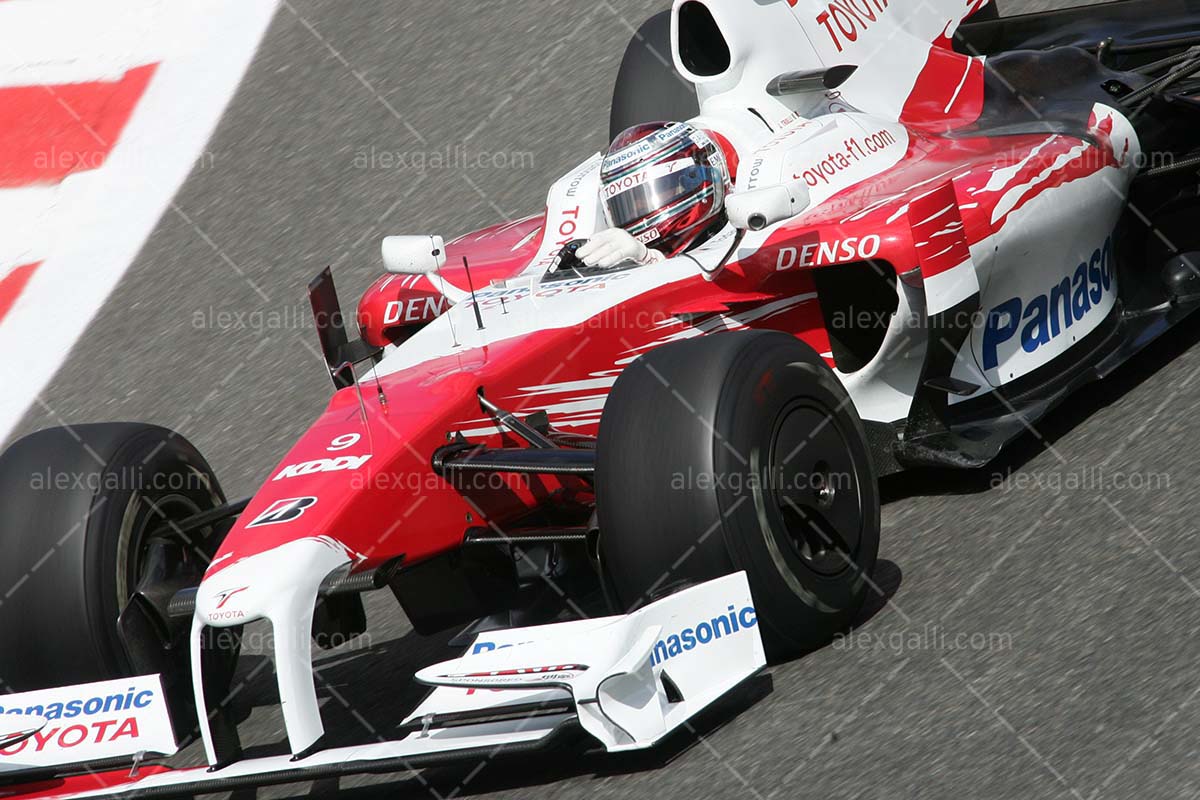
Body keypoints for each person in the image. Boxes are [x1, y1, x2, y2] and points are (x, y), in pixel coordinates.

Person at [577, 120, 737, 270]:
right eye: (627, 204)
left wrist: (650, 260)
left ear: (696, 179)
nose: (639, 209)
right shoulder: (629, 251)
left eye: (660, 190)